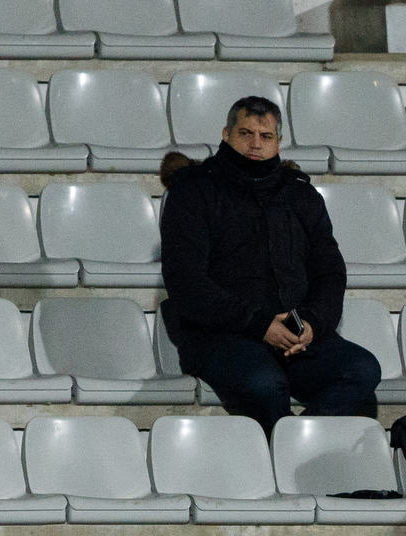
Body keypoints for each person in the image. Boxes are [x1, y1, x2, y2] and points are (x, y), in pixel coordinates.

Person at [160, 96, 381, 435]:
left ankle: (295, 445)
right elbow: (187, 283)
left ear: (278, 142)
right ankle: (290, 459)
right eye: (245, 133)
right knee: (265, 383)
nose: (254, 144)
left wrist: (313, 323)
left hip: (294, 337)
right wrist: (259, 324)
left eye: (265, 137)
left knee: (362, 369)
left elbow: (330, 273)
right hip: (220, 335)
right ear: (226, 134)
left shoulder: (301, 195)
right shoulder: (193, 190)